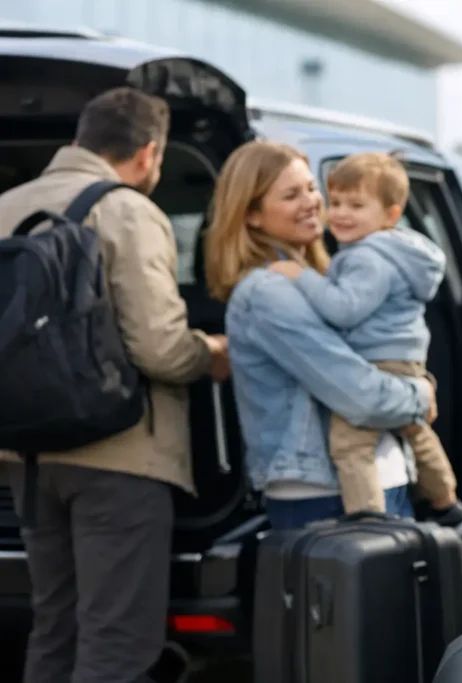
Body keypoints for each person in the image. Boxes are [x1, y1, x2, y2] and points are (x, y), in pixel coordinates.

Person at [0, 87, 229, 683]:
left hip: (25, 454)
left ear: (77, 140)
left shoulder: (6, 205)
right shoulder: (129, 211)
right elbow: (161, 348)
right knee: (118, 642)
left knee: (55, 627)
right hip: (121, 457)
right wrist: (211, 353)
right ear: (150, 153)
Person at [204, 141, 440, 531]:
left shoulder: (323, 278)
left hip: (363, 481)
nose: (312, 202)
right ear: (253, 216)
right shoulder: (268, 292)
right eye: (291, 195)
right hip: (325, 495)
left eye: (312, 188)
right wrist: (420, 395)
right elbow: (358, 396)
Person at [267, 152, 462, 536]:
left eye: (357, 205)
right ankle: (449, 504)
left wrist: (302, 276)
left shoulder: (368, 258)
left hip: (378, 362)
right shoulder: (396, 252)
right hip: (405, 361)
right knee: (415, 428)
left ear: (391, 215)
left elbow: (344, 309)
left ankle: (369, 521)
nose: (341, 214)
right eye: (337, 202)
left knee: (350, 446)